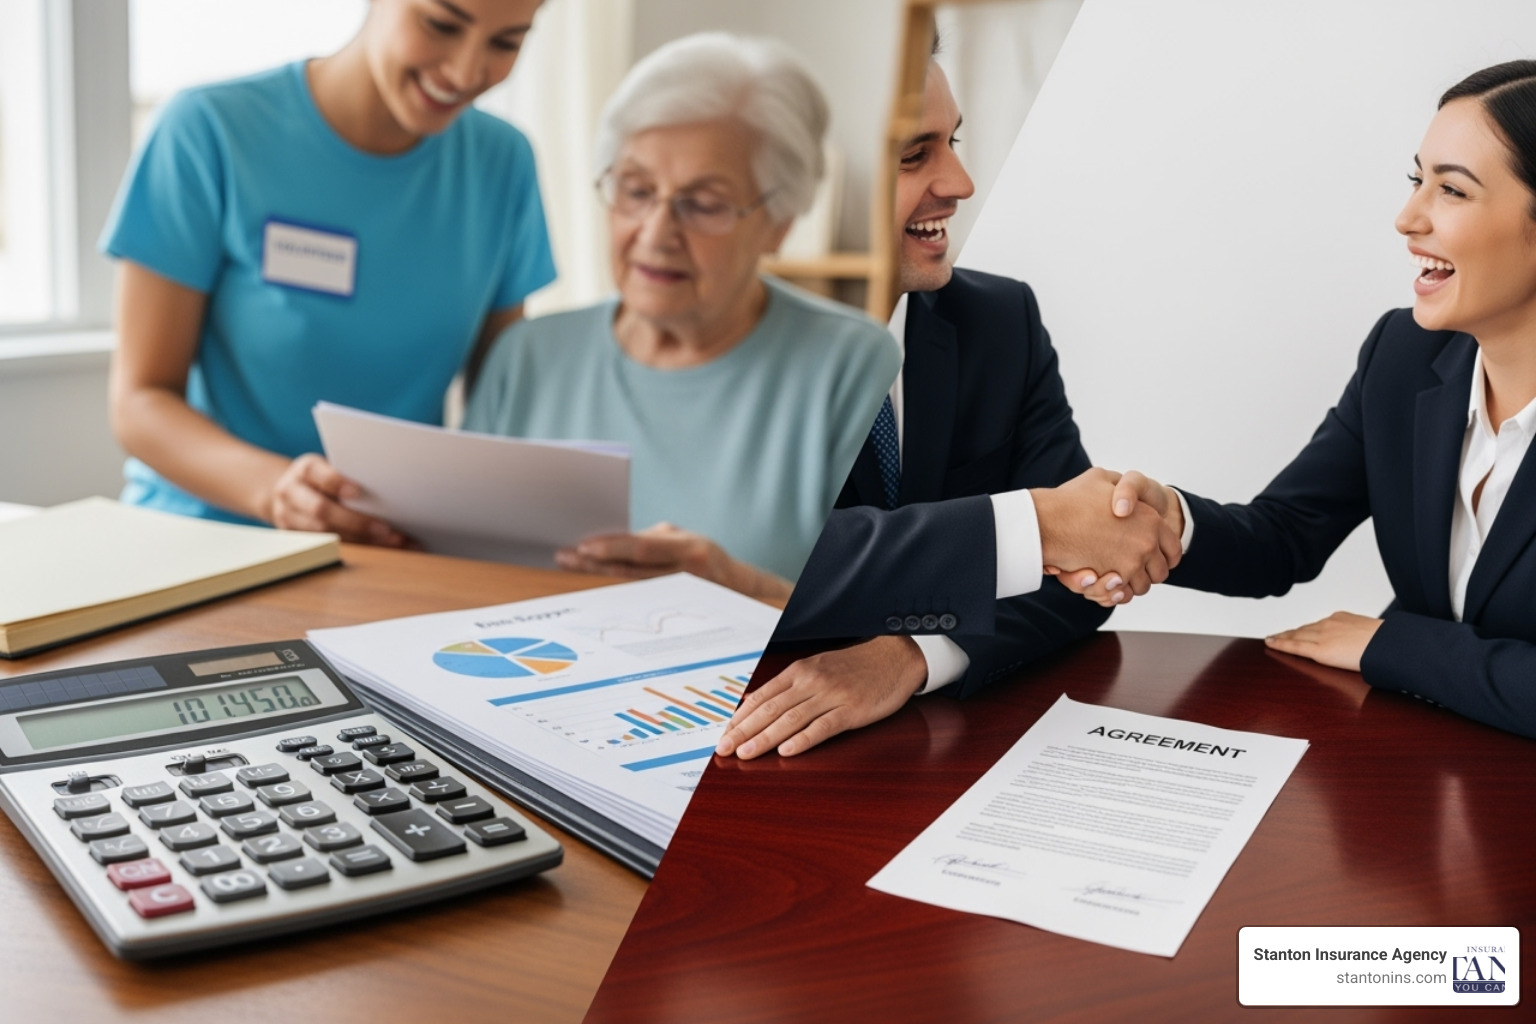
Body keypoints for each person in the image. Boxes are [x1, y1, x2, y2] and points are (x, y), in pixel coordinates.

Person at [715, 47, 1179, 759]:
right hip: (748, 745)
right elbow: (740, 572)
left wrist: (915, 654)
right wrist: (1032, 527)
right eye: (913, 154)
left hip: (945, 745)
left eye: (953, 141)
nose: (960, 182)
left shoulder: (1001, 321)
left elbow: (1078, 579)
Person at [1066, 60, 1536, 741]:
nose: (1407, 218)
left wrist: (1389, 645)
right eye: (1416, 180)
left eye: (1453, 191)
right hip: (1410, 772)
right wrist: (1166, 521)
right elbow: (1286, 536)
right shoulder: (1404, 355)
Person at [464, 33, 900, 597]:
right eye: (636, 190)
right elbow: (459, 565)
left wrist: (736, 588)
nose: (656, 233)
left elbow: (900, 619)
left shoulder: (859, 369)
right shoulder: (526, 357)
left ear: (781, 220)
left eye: (705, 204)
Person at [103, 0, 552, 544]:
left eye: (506, 43)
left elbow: (495, 415)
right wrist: (276, 490)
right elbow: (139, 402)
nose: (464, 71)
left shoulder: (503, 163)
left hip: (388, 553)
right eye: (440, 25)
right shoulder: (209, 131)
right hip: (203, 543)